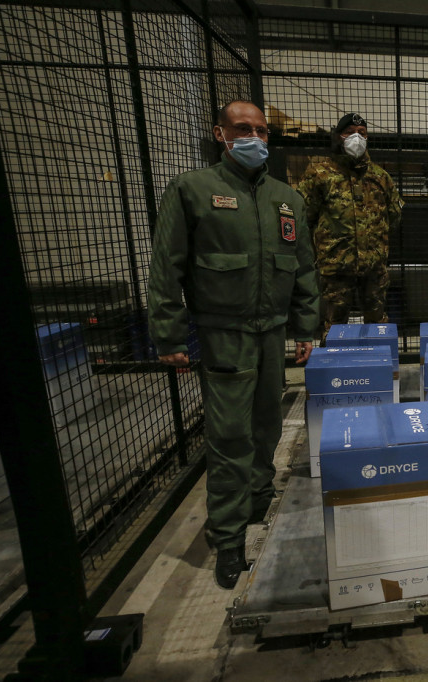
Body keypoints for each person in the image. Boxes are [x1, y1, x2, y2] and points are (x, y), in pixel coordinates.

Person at [148, 100, 319, 589]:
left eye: (262, 131)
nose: (255, 138)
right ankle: (227, 536)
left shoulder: (286, 198)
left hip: (272, 334)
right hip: (223, 335)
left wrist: (306, 329)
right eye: (243, 129)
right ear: (220, 133)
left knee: (268, 425)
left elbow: (303, 268)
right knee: (229, 438)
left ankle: (259, 499)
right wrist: (169, 333)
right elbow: (167, 266)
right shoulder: (193, 190)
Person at [297, 113, 403, 339]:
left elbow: (394, 217)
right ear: (338, 136)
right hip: (336, 268)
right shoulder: (320, 175)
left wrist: (376, 246)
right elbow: (305, 217)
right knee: (335, 329)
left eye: (362, 133)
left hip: (374, 267)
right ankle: (335, 361)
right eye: (350, 132)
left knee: (378, 326)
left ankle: (379, 361)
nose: (356, 137)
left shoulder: (380, 177)